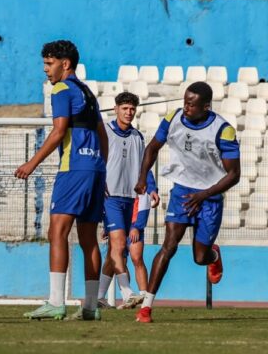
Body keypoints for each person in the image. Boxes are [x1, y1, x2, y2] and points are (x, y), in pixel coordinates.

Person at [15, 40, 108, 321]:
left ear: (64, 64)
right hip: (95, 170)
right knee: (89, 239)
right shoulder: (88, 93)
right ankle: (91, 307)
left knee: (57, 232)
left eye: (49, 63)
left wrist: (31, 163)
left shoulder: (61, 89)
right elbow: (103, 135)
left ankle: (56, 301)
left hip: (74, 169)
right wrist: (101, 168)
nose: (46, 69)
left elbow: (57, 133)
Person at [134, 82, 240, 323]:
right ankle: (146, 308)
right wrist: (142, 177)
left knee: (199, 258)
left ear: (206, 106)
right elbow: (152, 148)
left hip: (210, 198)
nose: (186, 107)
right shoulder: (173, 118)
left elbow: (234, 175)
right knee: (168, 246)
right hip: (182, 192)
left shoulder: (223, 130)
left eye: (191, 104)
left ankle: (213, 255)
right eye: (185, 102)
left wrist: (203, 195)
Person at [95, 92, 160, 310]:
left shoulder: (137, 137)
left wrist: (152, 189)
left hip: (132, 200)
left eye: (132, 108)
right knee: (119, 245)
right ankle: (127, 292)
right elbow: (96, 159)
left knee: (117, 251)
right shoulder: (105, 132)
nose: (128, 112)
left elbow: (144, 168)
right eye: (124, 108)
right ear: (116, 109)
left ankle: (99, 296)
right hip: (110, 197)